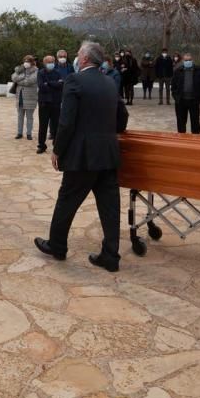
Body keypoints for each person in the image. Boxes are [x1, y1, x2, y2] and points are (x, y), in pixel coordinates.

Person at [34, 41, 129, 272]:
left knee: (67, 200)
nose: (75, 58)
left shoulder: (74, 81)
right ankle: (110, 255)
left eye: (78, 55)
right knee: (109, 206)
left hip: (82, 156)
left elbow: (66, 121)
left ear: (85, 59)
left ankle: (57, 245)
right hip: (107, 153)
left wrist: (57, 149)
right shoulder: (109, 81)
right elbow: (122, 118)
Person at [172, 53, 200, 134]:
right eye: (186, 60)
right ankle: (181, 139)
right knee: (181, 123)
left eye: (189, 60)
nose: (188, 62)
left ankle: (195, 140)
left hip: (194, 101)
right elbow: (173, 85)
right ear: (183, 61)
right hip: (181, 101)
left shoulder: (199, 71)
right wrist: (175, 97)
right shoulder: (178, 71)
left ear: (192, 60)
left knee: (195, 122)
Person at [37, 54, 64, 154]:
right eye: (48, 62)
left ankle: (56, 145)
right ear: (44, 63)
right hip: (44, 103)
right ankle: (41, 145)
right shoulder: (40, 73)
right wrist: (54, 84)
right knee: (43, 126)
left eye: (52, 62)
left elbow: (61, 85)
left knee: (56, 125)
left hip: (56, 103)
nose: (50, 64)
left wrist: (48, 83)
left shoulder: (58, 72)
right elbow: (41, 86)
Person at [11, 55, 39, 140]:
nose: (26, 63)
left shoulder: (36, 70)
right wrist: (23, 77)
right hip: (20, 95)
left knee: (29, 116)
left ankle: (29, 133)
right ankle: (19, 133)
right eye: (25, 61)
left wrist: (20, 80)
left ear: (32, 62)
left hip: (31, 96)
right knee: (20, 116)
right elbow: (13, 77)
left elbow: (30, 81)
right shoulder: (19, 69)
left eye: (28, 61)